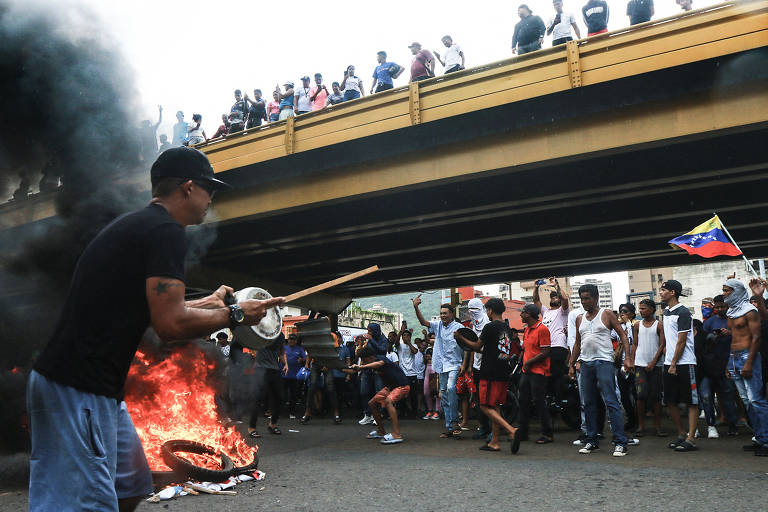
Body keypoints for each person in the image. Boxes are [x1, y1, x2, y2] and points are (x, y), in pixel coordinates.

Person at [27, 147, 283, 512]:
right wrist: (238, 316)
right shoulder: (165, 232)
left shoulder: (140, 226)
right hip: (76, 388)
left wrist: (209, 304)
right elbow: (169, 325)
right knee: (83, 505)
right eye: (210, 189)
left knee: (131, 485)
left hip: (94, 391)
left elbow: (149, 311)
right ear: (189, 188)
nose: (212, 198)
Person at [568, 283, 632, 456]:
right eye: (581, 299)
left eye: (587, 298)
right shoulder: (579, 318)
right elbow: (577, 343)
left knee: (611, 402)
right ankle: (591, 440)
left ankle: (620, 442)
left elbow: (623, 335)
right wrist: (572, 364)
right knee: (588, 403)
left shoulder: (607, 314)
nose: (584, 302)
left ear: (596, 298)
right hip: (586, 364)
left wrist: (628, 358)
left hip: (604, 362)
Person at [455, 298, 520, 453]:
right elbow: (496, 349)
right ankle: (495, 442)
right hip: (503, 372)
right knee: (495, 405)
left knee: (484, 406)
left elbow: (477, 346)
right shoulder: (506, 327)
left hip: (490, 372)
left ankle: (511, 430)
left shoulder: (489, 327)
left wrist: (460, 338)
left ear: (490, 310)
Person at [722, 278, 768, 456]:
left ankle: (766, 440)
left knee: (756, 399)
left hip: (748, 357)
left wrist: (749, 361)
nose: (725, 293)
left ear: (737, 292)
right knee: (747, 401)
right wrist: (729, 363)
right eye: (724, 290)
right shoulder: (732, 312)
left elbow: (756, 337)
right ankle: (759, 437)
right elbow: (734, 337)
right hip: (734, 358)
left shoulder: (750, 311)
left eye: (727, 290)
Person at [413, 295, 463, 438]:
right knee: (445, 396)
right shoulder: (438, 325)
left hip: (454, 364)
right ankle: (449, 428)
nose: (442, 316)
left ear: (452, 314)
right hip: (441, 365)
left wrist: (465, 365)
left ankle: (455, 421)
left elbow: (467, 346)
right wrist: (416, 307)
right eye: (441, 313)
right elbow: (423, 322)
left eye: (445, 313)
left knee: (451, 388)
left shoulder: (459, 327)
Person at [658, 279, 699, 452]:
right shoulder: (666, 312)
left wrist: (673, 363)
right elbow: (670, 338)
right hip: (670, 362)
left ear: (672, 292)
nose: (660, 292)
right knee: (670, 400)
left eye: (663, 290)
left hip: (684, 363)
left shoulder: (683, 312)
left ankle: (691, 438)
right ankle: (681, 433)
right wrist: (668, 360)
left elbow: (681, 341)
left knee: (691, 402)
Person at [698, 295, 739, 437]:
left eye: (723, 306)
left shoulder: (733, 320)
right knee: (707, 396)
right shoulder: (709, 322)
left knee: (728, 397)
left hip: (728, 363)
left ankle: (732, 424)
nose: (720, 309)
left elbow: (742, 336)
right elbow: (704, 343)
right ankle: (712, 424)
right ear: (714, 307)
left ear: (727, 306)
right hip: (711, 365)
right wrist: (713, 336)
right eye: (717, 307)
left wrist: (730, 333)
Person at [353, 346, 410, 444]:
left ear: (370, 357)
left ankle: (397, 434)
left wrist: (361, 367)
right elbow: (353, 370)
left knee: (388, 401)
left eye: (363, 359)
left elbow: (379, 364)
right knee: (372, 403)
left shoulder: (381, 358)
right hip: (390, 388)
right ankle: (381, 431)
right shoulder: (369, 365)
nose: (363, 362)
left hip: (402, 386)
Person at [516, 303, 554, 444]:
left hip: (539, 372)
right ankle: (523, 432)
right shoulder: (527, 330)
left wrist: (529, 362)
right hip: (527, 371)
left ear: (529, 314)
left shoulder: (542, 329)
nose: (521, 315)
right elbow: (526, 350)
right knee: (523, 401)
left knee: (539, 401)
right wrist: (523, 362)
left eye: (523, 313)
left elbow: (546, 352)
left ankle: (547, 433)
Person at [533, 278, 569, 410]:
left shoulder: (563, 311)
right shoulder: (546, 312)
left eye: (556, 296)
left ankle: (559, 401)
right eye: (552, 296)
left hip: (558, 347)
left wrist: (556, 286)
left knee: (556, 373)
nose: (554, 298)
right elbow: (536, 301)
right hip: (546, 348)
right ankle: (550, 399)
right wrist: (536, 287)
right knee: (545, 375)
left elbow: (565, 299)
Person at [631, 298, 666, 437]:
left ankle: (658, 426)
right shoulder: (637, 325)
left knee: (656, 396)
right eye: (640, 308)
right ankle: (641, 426)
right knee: (640, 395)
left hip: (656, 365)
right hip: (640, 365)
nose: (641, 311)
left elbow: (662, 344)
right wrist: (632, 361)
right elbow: (635, 344)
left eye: (644, 308)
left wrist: (653, 361)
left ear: (652, 309)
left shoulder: (659, 325)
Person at [248, 333, 285, 437]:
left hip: (275, 369)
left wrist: (285, 363)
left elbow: (281, 351)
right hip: (261, 369)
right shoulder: (262, 332)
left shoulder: (280, 335)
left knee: (280, 398)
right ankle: (252, 428)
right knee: (258, 399)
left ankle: (272, 424)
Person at [467, 297, 491, 439]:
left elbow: (478, 346)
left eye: (475, 310)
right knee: (478, 398)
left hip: (487, 365)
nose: (472, 312)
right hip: (476, 365)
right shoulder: (474, 324)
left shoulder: (487, 323)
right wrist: (470, 365)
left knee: (487, 398)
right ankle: (483, 427)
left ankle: (491, 430)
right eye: (470, 310)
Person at [614, 303, 638, 433]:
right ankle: (631, 419)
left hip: (634, 364)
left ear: (632, 314)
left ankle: (638, 422)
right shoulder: (619, 327)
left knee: (636, 394)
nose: (622, 313)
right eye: (620, 311)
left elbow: (632, 339)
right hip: (621, 365)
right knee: (624, 395)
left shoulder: (635, 325)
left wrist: (628, 323)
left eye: (625, 311)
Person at [358, 323, 387, 425]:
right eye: (368, 330)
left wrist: (371, 340)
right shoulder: (370, 340)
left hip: (379, 370)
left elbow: (382, 350)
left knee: (378, 392)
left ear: (375, 331)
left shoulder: (383, 339)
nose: (368, 332)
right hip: (368, 369)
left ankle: (378, 415)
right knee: (364, 392)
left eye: (370, 331)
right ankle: (368, 415)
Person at [396, 322, 420, 417]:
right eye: (404, 335)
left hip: (412, 374)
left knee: (413, 395)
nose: (405, 337)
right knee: (401, 394)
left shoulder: (414, 345)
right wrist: (401, 331)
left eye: (407, 335)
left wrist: (409, 342)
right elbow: (396, 342)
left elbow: (415, 351)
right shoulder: (400, 346)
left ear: (410, 337)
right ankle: (402, 412)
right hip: (402, 374)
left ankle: (414, 413)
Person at [282, 333, 307, 419]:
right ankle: (281, 412)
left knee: (294, 395)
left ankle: (291, 412)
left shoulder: (300, 349)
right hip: (284, 375)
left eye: (293, 339)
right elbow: (279, 356)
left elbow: (305, 358)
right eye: (290, 339)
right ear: (288, 340)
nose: (291, 341)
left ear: (296, 341)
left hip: (295, 376)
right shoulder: (284, 348)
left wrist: (302, 359)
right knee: (282, 394)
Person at [422, 347, 440, 419]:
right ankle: (430, 411)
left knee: (436, 393)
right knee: (426, 393)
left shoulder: (437, 358)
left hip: (435, 373)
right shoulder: (425, 360)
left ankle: (437, 412)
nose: (428, 356)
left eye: (429, 354)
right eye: (427, 354)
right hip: (427, 374)